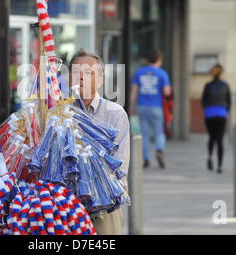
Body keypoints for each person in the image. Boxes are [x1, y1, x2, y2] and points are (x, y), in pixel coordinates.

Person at [69, 48, 130, 235]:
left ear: (101, 80)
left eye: (88, 73)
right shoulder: (60, 112)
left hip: (105, 203)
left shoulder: (115, 113)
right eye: (77, 72)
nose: (81, 78)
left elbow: (119, 166)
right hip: (67, 203)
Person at [130, 49, 171, 169]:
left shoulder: (139, 72)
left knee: (144, 134)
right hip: (156, 106)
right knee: (159, 132)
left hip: (142, 106)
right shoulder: (162, 73)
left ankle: (146, 159)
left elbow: (134, 92)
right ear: (159, 60)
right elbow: (167, 92)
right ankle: (159, 149)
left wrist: (132, 106)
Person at [201, 64, 231, 173]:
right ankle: (220, 166)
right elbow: (229, 102)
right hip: (221, 113)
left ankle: (209, 157)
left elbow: (203, 100)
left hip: (209, 113)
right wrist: (226, 111)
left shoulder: (208, 85)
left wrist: (206, 111)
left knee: (211, 137)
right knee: (220, 140)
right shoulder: (225, 85)